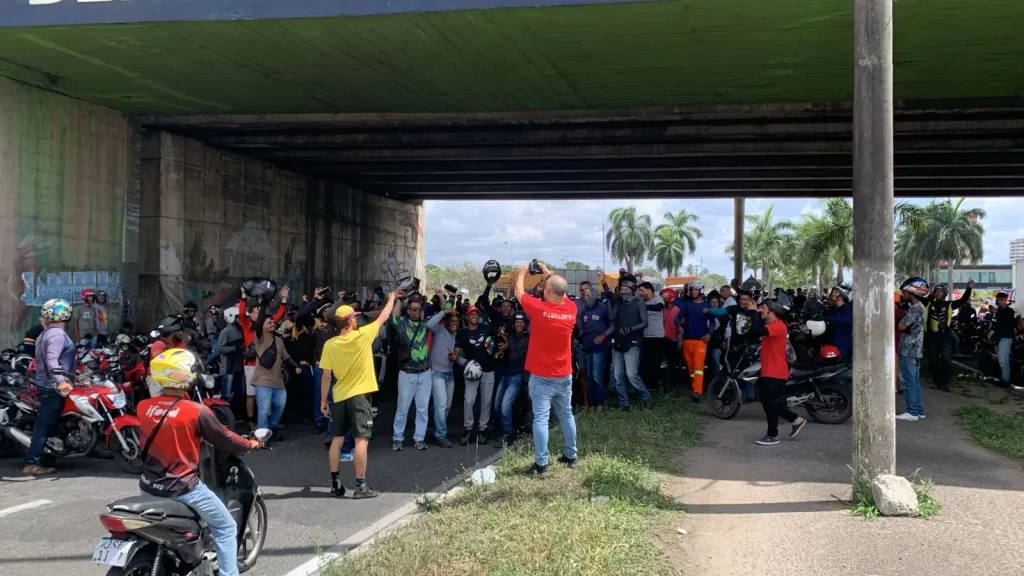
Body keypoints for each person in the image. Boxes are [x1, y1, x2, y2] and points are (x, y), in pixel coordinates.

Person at [138, 349, 261, 576]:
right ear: (182, 375)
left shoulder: (143, 407)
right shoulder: (195, 411)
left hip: (148, 485)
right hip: (183, 487)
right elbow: (225, 439)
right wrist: (250, 444)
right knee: (225, 527)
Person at [320, 291, 398, 499]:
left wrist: (322, 402)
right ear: (351, 320)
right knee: (361, 440)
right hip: (360, 397)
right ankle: (361, 486)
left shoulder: (330, 344)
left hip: (339, 397)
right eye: (354, 316)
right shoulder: (363, 336)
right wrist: (391, 298)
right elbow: (384, 316)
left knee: (336, 440)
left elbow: (326, 376)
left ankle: (336, 484)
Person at [515, 262, 577, 477]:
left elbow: (519, 292)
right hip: (564, 374)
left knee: (541, 418)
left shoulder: (540, 310)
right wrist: (548, 273)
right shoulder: (571, 309)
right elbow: (561, 290)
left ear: (547, 291)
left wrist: (523, 272)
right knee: (566, 415)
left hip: (542, 376)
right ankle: (571, 455)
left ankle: (541, 464)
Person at [23, 299, 76, 475]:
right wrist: (61, 381)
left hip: (46, 384)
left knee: (50, 423)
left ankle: (49, 454)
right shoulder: (57, 335)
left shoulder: (45, 334)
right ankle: (32, 463)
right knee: (44, 425)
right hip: (53, 387)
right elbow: (52, 360)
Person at [752, 296, 807, 446]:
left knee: (772, 403)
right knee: (767, 401)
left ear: (771, 311)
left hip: (775, 371)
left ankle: (774, 433)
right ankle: (793, 422)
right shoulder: (774, 325)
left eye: (763, 308)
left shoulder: (778, 325)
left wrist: (753, 313)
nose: (760, 310)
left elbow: (758, 329)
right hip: (769, 371)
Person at [238, 286, 289, 429]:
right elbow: (242, 313)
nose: (260, 313)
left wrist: (283, 299)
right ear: (252, 315)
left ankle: (267, 425)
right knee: (251, 394)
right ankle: (250, 419)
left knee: (268, 397)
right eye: (257, 311)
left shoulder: (268, 325)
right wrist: (243, 296)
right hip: (251, 364)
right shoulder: (247, 324)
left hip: (268, 367)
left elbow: (278, 315)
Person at [251, 303, 301, 441]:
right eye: (269, 322)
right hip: (262, 380)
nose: (273, 323)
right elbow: (259, 322)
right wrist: (264, 303)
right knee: (263, 410)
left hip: (278, 381)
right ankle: (261, 438)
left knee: (280, 406)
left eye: (273, 321)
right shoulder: (259, 337)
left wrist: (295, 366)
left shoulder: (278, 340)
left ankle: (272, 428)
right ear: (262, 325)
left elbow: (286, 356)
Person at [602, 271, 651, 411]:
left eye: (625, 288)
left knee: (631, 374)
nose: (622, 290)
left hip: (633, 343)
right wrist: (604, 286)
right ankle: (624, 404)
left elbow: (645, 323)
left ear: (632, 290)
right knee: (617, 376)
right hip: (617, 343)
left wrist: (631, 329)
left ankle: (645, 397)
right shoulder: (617, 303)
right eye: (621, 288)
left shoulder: (639, 303)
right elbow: (611, 316)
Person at [389, 293, 432, 451]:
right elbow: (393, 315)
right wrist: (398, 298)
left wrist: (445, 298)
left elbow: (441, 312)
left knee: (422, 409)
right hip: (407, 374)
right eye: (413, 309)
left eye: (419, 309)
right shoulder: (401, 324)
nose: (416, 312)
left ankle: (419, 438)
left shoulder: (425, 323)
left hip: (425, 373)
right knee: (402, 408)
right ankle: (397, 438)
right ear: (408, 311)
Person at [454, 305, 496, 444]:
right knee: (469, 401)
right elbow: (456, 353)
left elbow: (498, 337)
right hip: (471, 372)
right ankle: (468, 429)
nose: (474, 316)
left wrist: (502, 346)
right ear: (467, 316)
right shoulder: (463, 334)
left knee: (486, 402)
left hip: (488, 370)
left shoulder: (486, 328)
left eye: (476, 314)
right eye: (471, 314)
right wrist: (463, 363)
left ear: (479, 316)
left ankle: (482, 430)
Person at [923, 279, 972, 391]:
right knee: (933, 361)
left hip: (945, 337)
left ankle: (945, 383)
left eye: (940, 291)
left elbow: (963, 299)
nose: (938, 293)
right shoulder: (929, 304)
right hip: (931, 338)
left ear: (944, 293)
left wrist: (969, 288)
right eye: (936, 291)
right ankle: (937, 383)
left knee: (946, 361)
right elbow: (919, 299)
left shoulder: (949, 304)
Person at [493, 311, 529, 447]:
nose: (519, 324)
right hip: (504, 374)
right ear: (513, 324)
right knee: (497, 406)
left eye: (521, 322)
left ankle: (508, 434)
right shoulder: (508, 336)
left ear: (525, 324)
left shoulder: (529, 337)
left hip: (517, 376)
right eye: (516, 322)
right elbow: (498, 345)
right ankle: (508, 428)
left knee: (505, 406)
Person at [576, 282, 612, 410]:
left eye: (588, 295)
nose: (585, 298)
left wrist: (604, 335)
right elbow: (582, 329)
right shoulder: (584, 311)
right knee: (589, 377)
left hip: (599, 348)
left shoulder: (603, 308)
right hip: (587, 347)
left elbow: (612, 325)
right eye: (584, 295)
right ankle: (592, 403)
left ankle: (601, 402)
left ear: (594, 296)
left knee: (597, 375)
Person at [896, 277, 928, 421]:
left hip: (909, 349)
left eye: (905, 292)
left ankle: (912, 412)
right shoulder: (918, 306)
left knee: (908, 380)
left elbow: (901, 326)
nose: (903, 295)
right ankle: (919, 410)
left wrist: (899, 319)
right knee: (914, 380)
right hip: (915, 349)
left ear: (912, 292)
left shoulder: (915, 308)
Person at [427, 308, 459, 447]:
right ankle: (441, 435)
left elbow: (458, 355)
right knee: (441, 405)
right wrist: (443, 312)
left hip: (449, 374)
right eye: (452, 321)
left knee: (446, 406)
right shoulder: (439, 330)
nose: (454, 323)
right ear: (446, 322)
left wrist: (455, 357)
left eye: (457, 322)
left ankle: (436, 431)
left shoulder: (458, 336)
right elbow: (429, 325)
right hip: (436, 373)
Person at [676, 281, 711, 402]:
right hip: (687, 340)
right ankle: (694, 387)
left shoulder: (707, 306)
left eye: (696, 290)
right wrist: (679, 327)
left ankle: (697, 391)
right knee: (690, 367)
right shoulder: (687, 305)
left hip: (700, 341)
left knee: (698, 366)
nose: (694, 292)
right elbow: (678, 318)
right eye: (692, 290)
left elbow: (712, 322)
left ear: (701, 290)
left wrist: (709, 334)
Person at [638, 282, 670, 393]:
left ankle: (658, 385)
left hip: (657, 336)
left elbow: (658, 307)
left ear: (649, 290)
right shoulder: (642, 302)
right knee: (646, 362)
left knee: (656, 362)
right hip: (645, 336)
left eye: (642, 290)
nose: (641, 293)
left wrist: (643, 306)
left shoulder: (658, 299)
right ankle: (649, 385)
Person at [217, 306, 245, 403]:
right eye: (238, 317)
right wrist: (235, 348)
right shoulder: (225, 332)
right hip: (228, 368)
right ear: (231, 317)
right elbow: (221, 348)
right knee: (226, 395)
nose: (241, 319)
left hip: (238, 367)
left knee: (240, 392)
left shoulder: (241, 330)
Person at [994, 291, 1016, 387]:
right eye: (998, 299)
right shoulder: (999, 310)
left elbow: (1004, 321)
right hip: (999, 337)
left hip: (1006, 337)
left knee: (1003, 359)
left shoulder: (1009, 311)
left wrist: (996, 312)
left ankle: (1006, 380)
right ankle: (1003, 378)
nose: (999, 301)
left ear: (1005, 300)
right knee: (1000, 359)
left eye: (1001, 299)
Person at [826, 285, 853, 360]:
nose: (832, 294)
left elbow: (848, 319)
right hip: (834, 342)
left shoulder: (846, 307)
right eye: (832, 292)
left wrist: (828, 318)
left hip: (844, 344)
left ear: (842, 296)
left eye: (836, 292)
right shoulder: (833, 310)